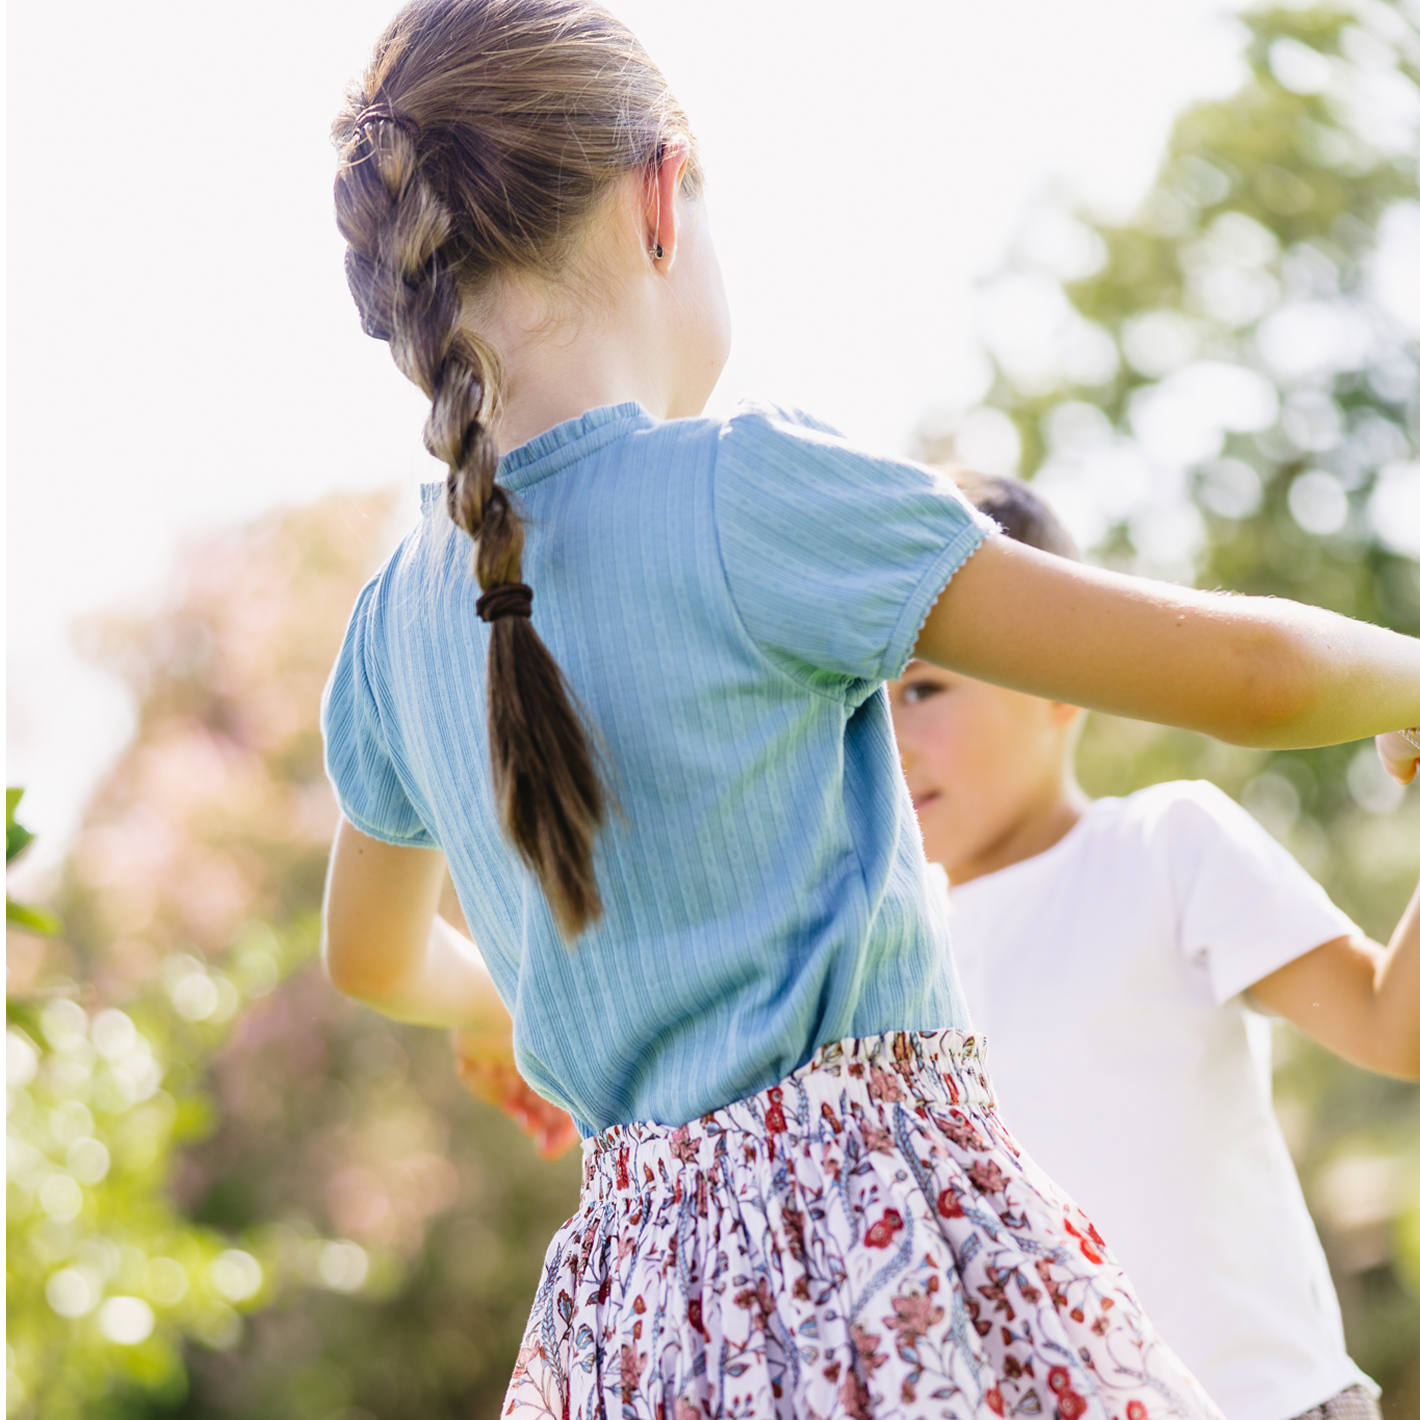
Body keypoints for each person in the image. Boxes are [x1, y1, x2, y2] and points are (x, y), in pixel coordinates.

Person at [316, 3, 1420, 1415]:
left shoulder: (391, 624)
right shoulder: (749, 492)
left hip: (628, 1332)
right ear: (664, 195)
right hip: (884, 1273)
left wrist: (495, 1016)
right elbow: (1253, 681)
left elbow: (369, 957)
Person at [888, 470, 1419, 1420]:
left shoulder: (1164, 847)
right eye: (863, 697)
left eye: (924, 686)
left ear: (1066, 686)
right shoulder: (880, 957)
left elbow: (1394, 1024)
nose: (890, 736)